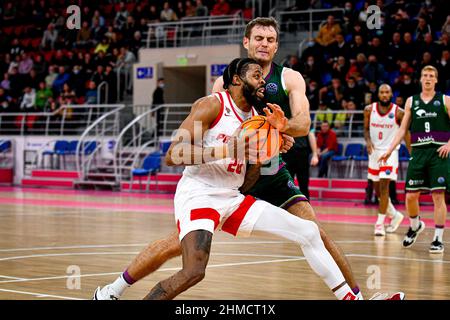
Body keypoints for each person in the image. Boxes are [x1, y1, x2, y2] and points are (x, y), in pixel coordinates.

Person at [94, 17, 403, 300]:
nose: (264, 44)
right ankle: (114, 290)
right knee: (186, 257)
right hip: (206, 190)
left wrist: (273, 138)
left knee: (312, 231)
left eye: (270, 39)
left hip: (250, 182)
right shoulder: (216, 98)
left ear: (277, 45)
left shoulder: (285, 83)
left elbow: (302, 124)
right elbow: (175, 152)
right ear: (245, 48)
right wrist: (232, 150)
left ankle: (357, 299)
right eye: (258, 38)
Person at [144, 58, 360, 300]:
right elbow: (173, 154)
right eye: (257, 76)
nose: (263, 82)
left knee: (309, 231)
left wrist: (273, 146)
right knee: (194, 271)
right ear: (237, 79)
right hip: (200, 194)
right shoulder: (210, 105)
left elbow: (249, 180)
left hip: (232, 196)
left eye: (263, 77)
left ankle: (350, 298)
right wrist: (226, 150)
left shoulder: (257, 118)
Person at [379, 65, 450, 253]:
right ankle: (415, 225)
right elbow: (402, 129)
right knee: (410, 195)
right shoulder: (412, 101)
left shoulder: (445, 100)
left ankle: (437, 238)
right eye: (425, 75)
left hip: (438, 153)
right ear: (420, 79)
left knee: (437, 195)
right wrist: (390, 149)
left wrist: (449, 144)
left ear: (436, 80)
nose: (427, 78)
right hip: (418, 152)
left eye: (431, 76)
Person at [364, 84, 408, 236]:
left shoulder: (399, 112)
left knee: (384, 189)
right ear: (378, 94)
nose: (384, 95)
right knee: (377, 191)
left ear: (391, 95)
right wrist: (368, 141)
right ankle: (395, 216)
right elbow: (365, 129)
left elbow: (405, 132)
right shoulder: (369, 110)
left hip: (389, 154)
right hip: (374, 153)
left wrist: (411, 151)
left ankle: (379, 224)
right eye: (381, 92)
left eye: (387, 92)